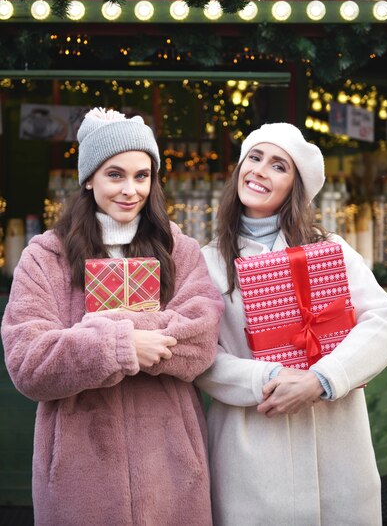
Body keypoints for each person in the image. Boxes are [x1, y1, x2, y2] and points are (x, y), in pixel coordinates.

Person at [1, 107, 224, 526]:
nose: (130, 190)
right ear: (89, 179)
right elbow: (28, 362)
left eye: (142, 176)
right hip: (78, 470)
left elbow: (200, 339)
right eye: (115, 174)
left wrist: (110, 333)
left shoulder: (179, 249)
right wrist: (118, 348)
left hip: (172, 463)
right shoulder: (44, 257)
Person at [196, 122, 387, 526]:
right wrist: (268, 378)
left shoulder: (331, 249)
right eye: (253, 158)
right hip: (253, 455)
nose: (259, 171)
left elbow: (384, 322)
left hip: (338, 451)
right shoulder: (206, 262)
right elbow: (203, 358)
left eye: (278, 166)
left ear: (295, 186)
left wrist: (321, 379)